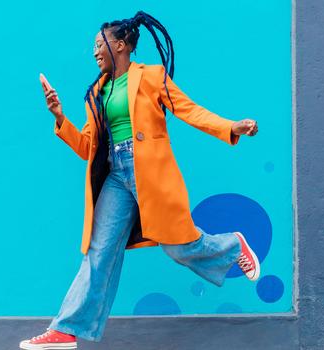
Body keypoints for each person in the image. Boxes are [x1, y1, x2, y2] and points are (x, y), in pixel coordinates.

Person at [21, 10, 260, 350]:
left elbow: (189, 110)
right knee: (99, 251)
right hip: (117, 175)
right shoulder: (97, 93)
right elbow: (88, 146)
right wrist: (60, 117)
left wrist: (229, 126)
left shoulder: (151, 76)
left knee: (179, 249)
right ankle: (66, 329)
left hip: (150, 171)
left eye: (98, 44)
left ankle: (233, 244)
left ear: (120, 45)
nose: (94, 52)